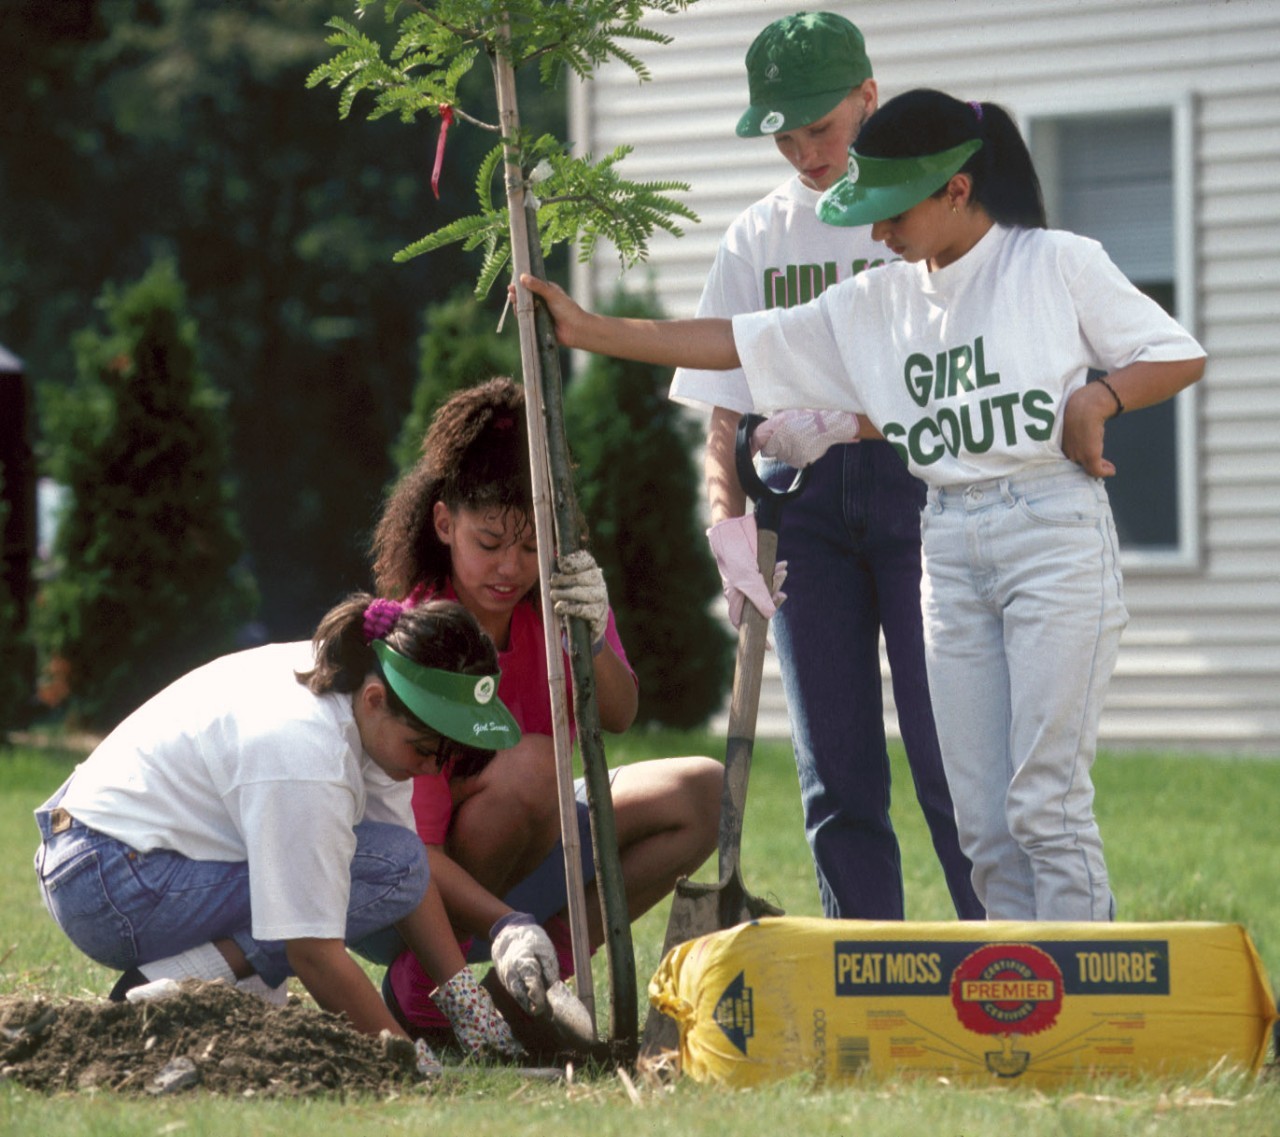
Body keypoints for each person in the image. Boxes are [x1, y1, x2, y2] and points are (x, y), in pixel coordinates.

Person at [517, 88, 1207, 923]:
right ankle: (1019, 1003)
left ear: (955, 188)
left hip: (1050, 531)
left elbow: (1173, 352)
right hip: (946, 540)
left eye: (890, 213)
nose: (876, 234)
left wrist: (1097, 402)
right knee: (983, 818)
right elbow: (733, 339)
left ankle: (1085, 1005)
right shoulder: (882, 299)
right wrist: (589, 328)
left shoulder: (1054, 262)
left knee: (1043, 804)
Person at [670, 12, 982, 921]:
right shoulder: (756, 240)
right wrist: (725, 520)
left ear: (869, 99)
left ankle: (1002, 954)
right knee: (836, 767)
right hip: (798, 512)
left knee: (949, 752)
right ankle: (866, 966)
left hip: (918, 496)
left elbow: (963, 378)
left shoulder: (922, 216)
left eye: (824, 127)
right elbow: (725, 404)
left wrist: (849, 421)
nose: (806, 152)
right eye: (786, 134)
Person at [33, 593, 543, 1073]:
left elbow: (409, 871)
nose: (432, 767)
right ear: (374, 699)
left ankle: (217, 976)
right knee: (358, 884)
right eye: (423, 748)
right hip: (107, 884)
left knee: (399, 862)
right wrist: (411, 1065)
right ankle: (176, 979)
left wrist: (467, 1004)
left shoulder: (355, 683)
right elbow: (312, 953)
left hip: (109, 858)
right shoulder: (307, 750)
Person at [369, 376, 721, 1040]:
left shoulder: (558, 595)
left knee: (704, 791)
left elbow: (616, 713)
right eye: (490, 541)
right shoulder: (428, 632)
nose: (510, 566)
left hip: (537, 831)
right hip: (410, 883)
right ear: (445, 523)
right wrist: (505, 922)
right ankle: (426, 989)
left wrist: (588, 631)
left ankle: (528, 985)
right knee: (533, 765)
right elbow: (418, 848)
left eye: (531, 545)